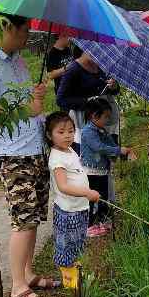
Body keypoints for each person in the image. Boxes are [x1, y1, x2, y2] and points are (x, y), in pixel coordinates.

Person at [0, 13, 55, 297]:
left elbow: (25, 101)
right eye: (23, 31)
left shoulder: (17, 60)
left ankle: (28, 273)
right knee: (23, 217)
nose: (26, 37)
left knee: (34, 215)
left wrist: (37, 96)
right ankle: (18, 286)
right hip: (10, 151)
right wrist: (27, 109)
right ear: (7, 27)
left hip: (32, 146)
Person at [46, 110, 99, 276]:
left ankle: (75, 270)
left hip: (79, 207)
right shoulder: (57, 158)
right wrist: (86, 192)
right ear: (49, 135)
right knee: (67, 244)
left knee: (77, 241)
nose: (67, 135)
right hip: (68, 211)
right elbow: (63, 186)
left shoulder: (70, 151)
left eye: (71, 131)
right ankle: (70, 280)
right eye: (61, 132)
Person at [79, 97, 135, 236]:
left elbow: (110, 144)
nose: (107, 120)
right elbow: (99, 147)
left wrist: (121, 150)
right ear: (93, 115)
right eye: (105, 117)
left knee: (103, 197)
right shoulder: (88, 131)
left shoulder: (101, 129)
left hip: (102, 171)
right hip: (91, 172)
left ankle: (103, 220)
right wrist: (118, 151)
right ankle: (90, 226)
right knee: (93, 199)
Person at [55, 52, 118, 138]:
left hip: (107, 119)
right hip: (86, 121)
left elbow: (114, 90)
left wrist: (114, 87)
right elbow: (60, 100)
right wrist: (86, 101)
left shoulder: (102, 65)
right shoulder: (73, 70)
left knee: (111, 147)